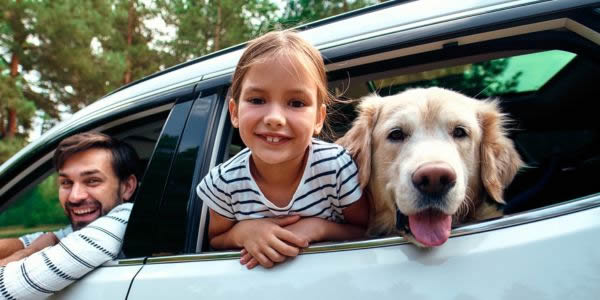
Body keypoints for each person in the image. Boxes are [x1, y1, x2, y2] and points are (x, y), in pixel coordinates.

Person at [196, 30, 369, 270]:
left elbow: (366, 231)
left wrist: (318, 228)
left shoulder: (336, 167)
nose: (275, 118)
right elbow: (216, 240)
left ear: (318, 119)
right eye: (257, 100)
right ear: (234, 112)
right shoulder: (224, 182)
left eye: (296, 103)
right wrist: (243, 232)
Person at [0, 132, 138, 299]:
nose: (74, 196)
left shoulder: (125, 218)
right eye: (66, 182)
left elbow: (7, 289)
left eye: (92, 180)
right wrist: (31, 246)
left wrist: (31, 251)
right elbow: (24, 242)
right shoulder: (81, 231)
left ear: (127, 187)